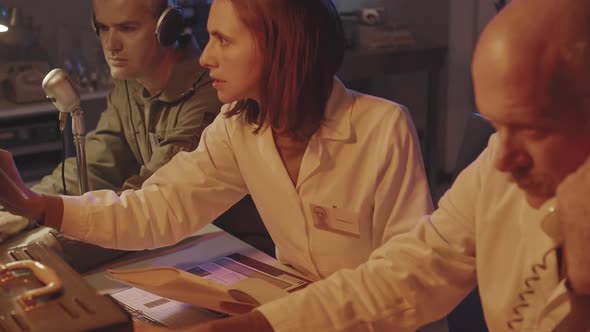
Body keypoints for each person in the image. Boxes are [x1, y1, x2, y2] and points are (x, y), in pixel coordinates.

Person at [134, 0, 590, 331]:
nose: (503, 157)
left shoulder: (383, 126)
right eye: (496, 125)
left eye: (533, 128)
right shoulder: (495, 170)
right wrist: (258, 327)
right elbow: (403, 274)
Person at [0, 0, 438, 329]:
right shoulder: (239, 124)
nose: (206, 56)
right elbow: (157, 209)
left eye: (223, 40)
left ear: (280, 47)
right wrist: (38, 206)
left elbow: (407, 283)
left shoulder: (382, 127)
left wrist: (266, 323)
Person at [0, 0, 222, 270]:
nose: (111, 45)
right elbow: (99, 161)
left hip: (217, 245)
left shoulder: (209, 94)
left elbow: (149, 201)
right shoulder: (129, 82)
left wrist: (46, 245)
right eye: (103, 28)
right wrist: (19, 211)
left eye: (127, 28)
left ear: (168, 27)